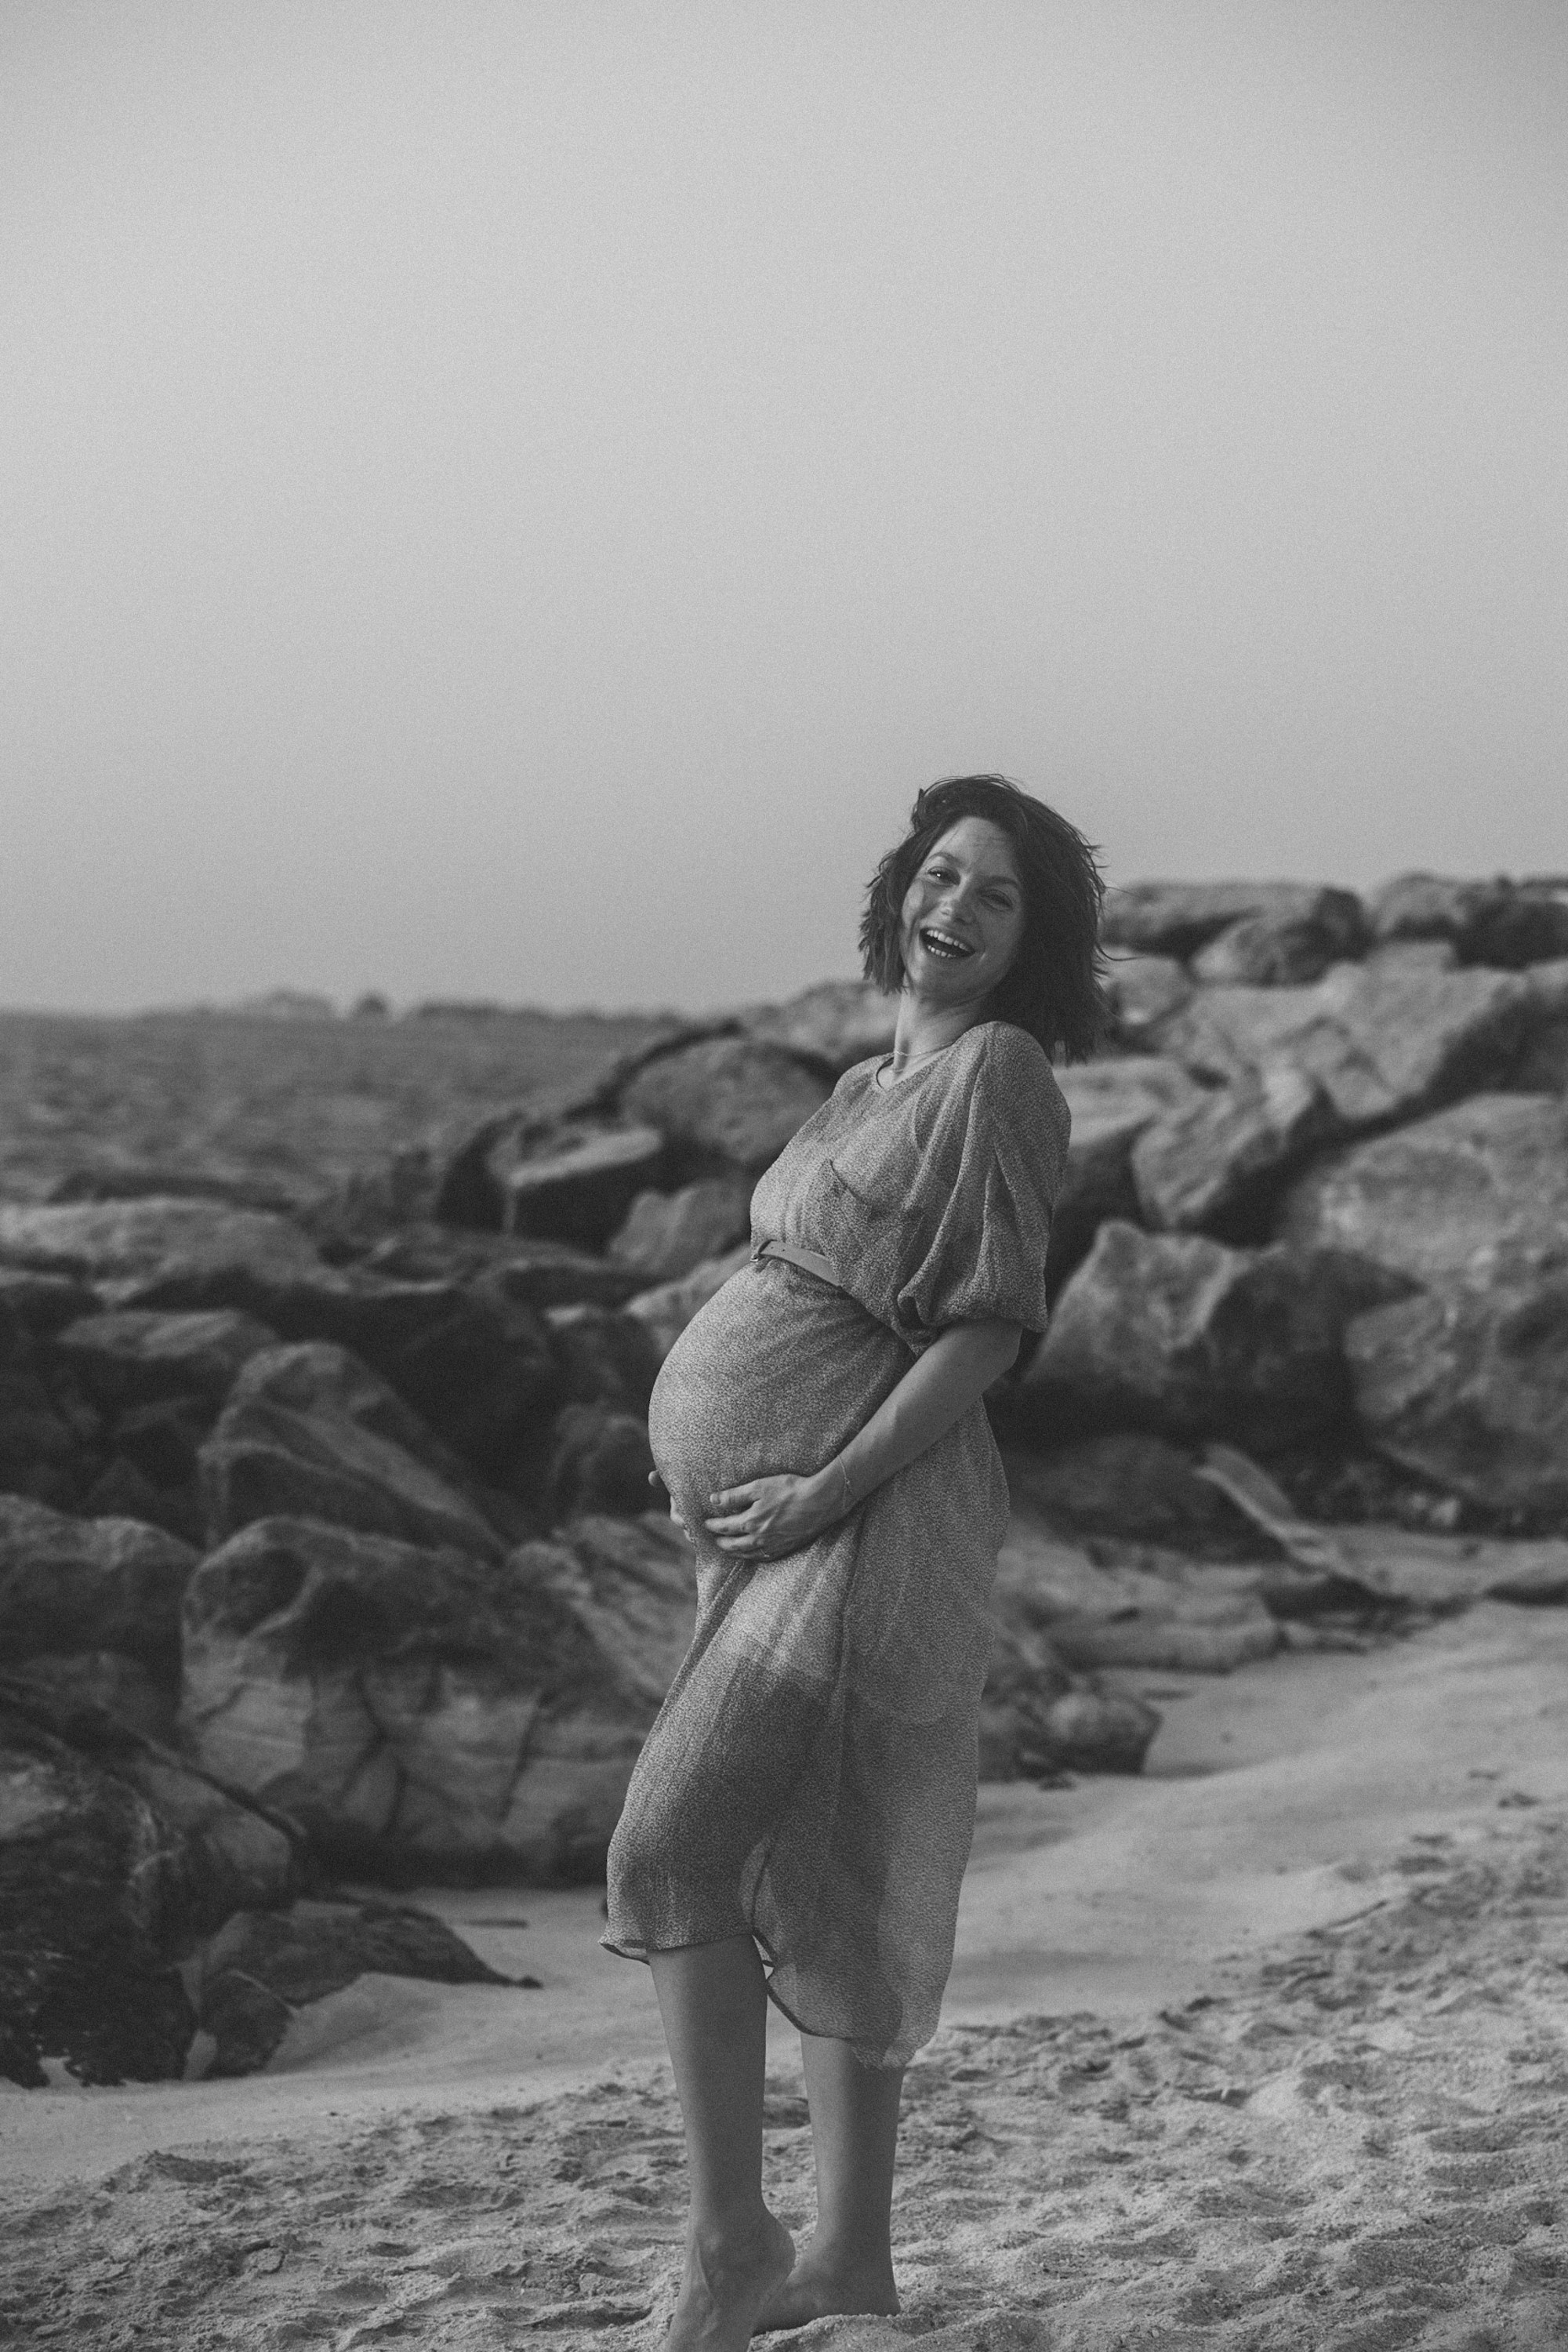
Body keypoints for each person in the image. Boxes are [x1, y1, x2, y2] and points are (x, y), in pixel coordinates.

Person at [603, 775, 1104, 2350]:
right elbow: (806, 1297)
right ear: (900, 883)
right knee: (820, 1867)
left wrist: (819, 1484)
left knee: (668, 1848)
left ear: (1035, 942)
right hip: (768, 1531)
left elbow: (984, 1329)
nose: (949, 907)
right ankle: (850, 2269)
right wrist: (722, 1455)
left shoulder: (998, 1073)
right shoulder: (856, 1079)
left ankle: (732, 2243)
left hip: (873, 1518)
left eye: (994, 895)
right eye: (939, 873)